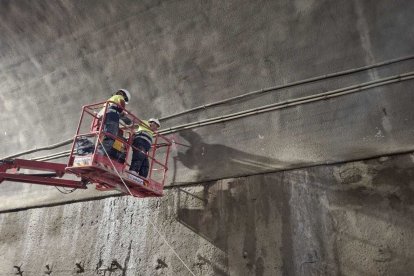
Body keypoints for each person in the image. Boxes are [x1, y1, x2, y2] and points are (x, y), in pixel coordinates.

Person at [98, 89, 131, 157]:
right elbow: (121, 105)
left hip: (106, 117)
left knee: (110, 136)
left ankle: (104, 153)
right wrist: (123, 112)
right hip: (112, 117)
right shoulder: (119, 97)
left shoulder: (111, 100)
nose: (124, 100)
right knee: (110, 137)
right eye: (125, 99)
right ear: (123, 95)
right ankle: (100, 153)